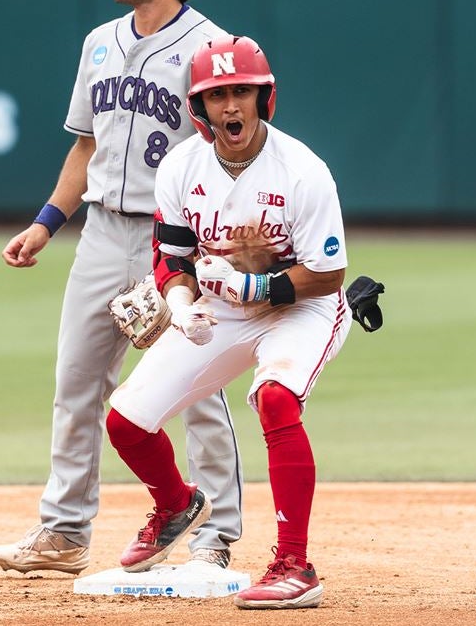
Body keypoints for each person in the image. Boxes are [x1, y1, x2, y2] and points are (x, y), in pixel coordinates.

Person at [0, 0, 241, 575]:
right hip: (101, 230)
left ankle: (216, 534)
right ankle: (64, 531)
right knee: (75, 380)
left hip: (178, 235)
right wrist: (46, 222)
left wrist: (212, 236)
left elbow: (230, 147)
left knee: (196, 386)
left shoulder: (210, 45)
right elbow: (88, 146)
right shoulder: (100, 40)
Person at [103, 35, 350, 610]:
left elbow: (329, 275)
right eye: (218, 96)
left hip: (302, 307)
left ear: (265, 98)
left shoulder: (303, 171)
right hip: (223, 308)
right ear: (199, 108)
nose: (231, 107)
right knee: (125, 423)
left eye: (242, 92)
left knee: (276, 400)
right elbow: (173, 256)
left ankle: (295, 564)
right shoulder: (181, 167)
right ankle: (174, 503)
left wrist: (256, 284)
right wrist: (181, 302)